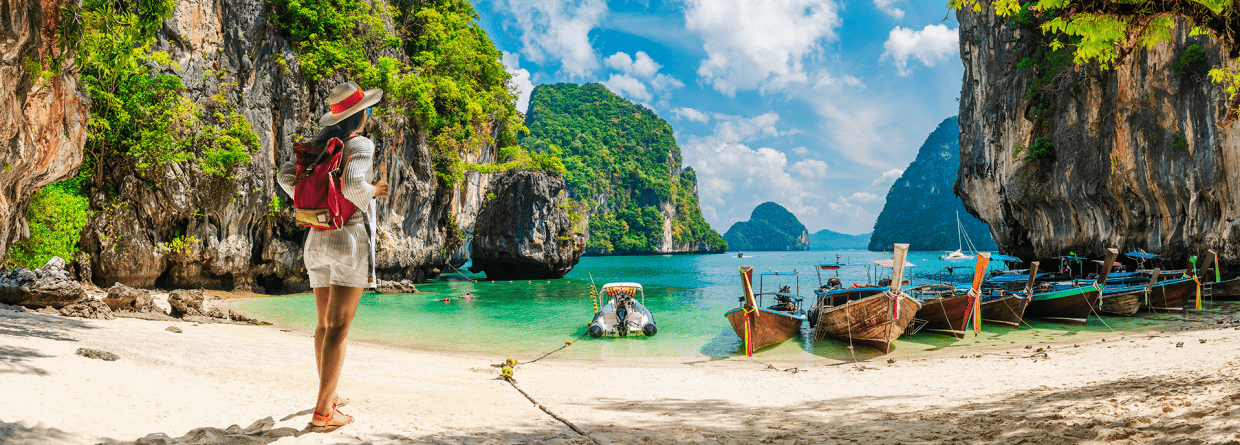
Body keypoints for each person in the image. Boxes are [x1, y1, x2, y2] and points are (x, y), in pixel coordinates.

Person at [276, 81, 389, 430]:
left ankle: (330, 394)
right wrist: (376, 190)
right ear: (361, 114)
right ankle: (324, 411)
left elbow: (284, 176)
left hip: (316, 236)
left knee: (324, 325)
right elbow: (355, 185)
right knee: (339, 327)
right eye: (367, 109)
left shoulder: (318, 146)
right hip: (348, 238)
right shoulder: (360, 143)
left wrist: (315, 197)